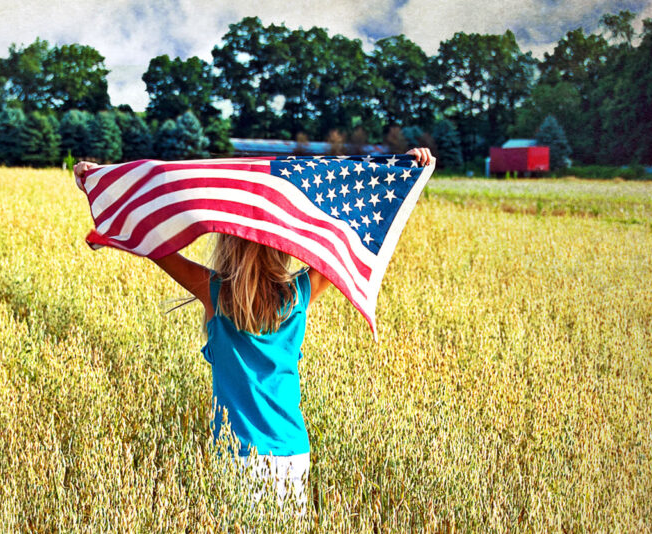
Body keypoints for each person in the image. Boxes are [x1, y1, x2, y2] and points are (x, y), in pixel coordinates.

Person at [73, 147, 434, 514]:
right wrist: (407, 168)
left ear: (227, 242)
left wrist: (101, 183)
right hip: (292, 451)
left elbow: (155, 249)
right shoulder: (298, 296)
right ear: (284, 247)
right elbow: (347, 235)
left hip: (235, 454)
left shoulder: (215, 293)